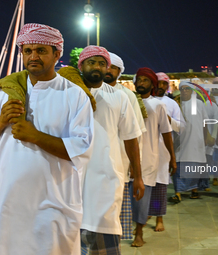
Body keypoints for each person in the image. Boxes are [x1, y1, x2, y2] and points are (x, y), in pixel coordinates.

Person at [0, 23, 94, 255]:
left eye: (41, 50)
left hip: (53, 204)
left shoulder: (74, 95)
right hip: (6, 203)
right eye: (28, 51)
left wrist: (35, 136)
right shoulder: (4, 93)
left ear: (57, 54)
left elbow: (80, 148)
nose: (33, 56)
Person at [77, 46, 145, 255]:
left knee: (104, 236)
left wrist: (138, 175)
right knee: (71, 234)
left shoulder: (120, 97)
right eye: (91, 62)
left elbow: (131, 138)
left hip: (106, 177)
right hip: (71, 176)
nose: (97, 67)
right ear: (81, 66)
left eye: (101, 63)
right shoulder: (69, 93)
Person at [103, 51, 147, 240]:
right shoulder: (88, 92)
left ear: (119, 71)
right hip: (94, 163)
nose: (108, 70)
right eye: (107, 65)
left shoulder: (127, 95)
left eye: (113, 67)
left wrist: (136, 169)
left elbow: (137, 135)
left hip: (120, 161)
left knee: (115, 212)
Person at [131, 67, 176, 247]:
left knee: (141, 198)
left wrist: (172, 158)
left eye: (145, 80)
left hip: (148, 157)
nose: (141, 83)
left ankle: (139, 233)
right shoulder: (127, 101)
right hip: (125, 156)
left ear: (152, 84)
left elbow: (166, 133)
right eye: (139, 80)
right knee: (126, 198)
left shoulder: (158, 106)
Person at [147, 72, 185, 232]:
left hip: (163, 150)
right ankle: (144, 214)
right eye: (159, 83)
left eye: (164, 84)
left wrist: (169, 120)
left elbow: (182, 127)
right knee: (144, 185)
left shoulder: (172, 104)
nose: (161, 86)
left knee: (160, 186)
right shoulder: (144, 101)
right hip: (145, 149)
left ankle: (159, 218)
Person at [169, 81, 209, 203]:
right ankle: (178, 192)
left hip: (196, 139)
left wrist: (207, 137)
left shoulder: (199, 104)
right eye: (183, 89)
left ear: (192, 91)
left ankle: (194, 190)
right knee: (179, 165)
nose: (185, 91)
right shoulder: (176, 104)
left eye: (187, 89)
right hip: (180, 140)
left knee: (195, 165)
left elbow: (204, 122)